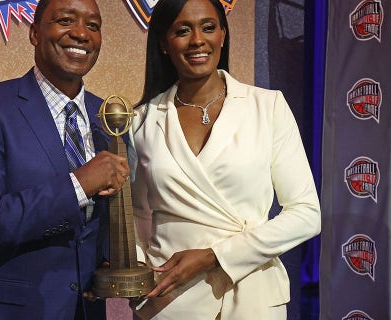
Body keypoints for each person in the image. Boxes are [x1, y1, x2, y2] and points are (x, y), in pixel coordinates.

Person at [128, 0, 321, 319]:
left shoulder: (267, 107)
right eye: (182, 30)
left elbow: (306, 214)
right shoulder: (140, 121)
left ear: (223, 34)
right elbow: (134, 214)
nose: (197, 41)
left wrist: (215, 255)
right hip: (171, 300)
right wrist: (138, 272)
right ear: (163, 43)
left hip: (252, 296)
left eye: (208, 27)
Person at [0, 0, 130, 319]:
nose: (81, 34)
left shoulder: (108, 118)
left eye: (93, 25)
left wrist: (110, 256)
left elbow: (97, 226)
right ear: (34, 33)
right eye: (66, 20)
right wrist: (79, 185)